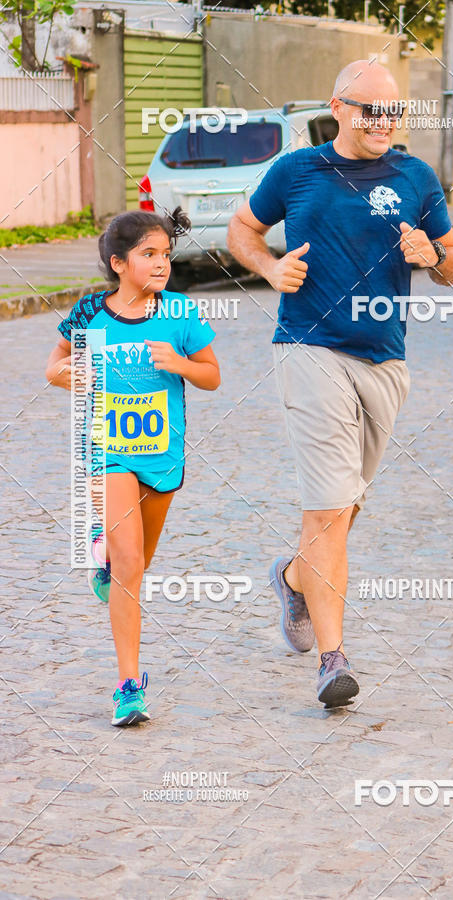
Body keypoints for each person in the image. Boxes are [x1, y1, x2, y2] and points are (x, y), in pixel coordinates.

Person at [227, 59, 453, 708]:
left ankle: (294, 578)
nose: (385, 122)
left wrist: (434, 258)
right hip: (309, 349)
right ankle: (333, 662)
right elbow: (242, 230)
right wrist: (269, 269)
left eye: (395, 111)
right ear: (339, 107)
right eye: (371, 110)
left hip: (385, 361)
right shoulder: (296, 171)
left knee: (345, 510)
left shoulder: (415, 177)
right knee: (329, 506)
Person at [45, 207, 220, 726]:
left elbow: (212, 377)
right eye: (149, 254)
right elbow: (53, 365)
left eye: (166, 254)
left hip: (163, 458)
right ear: (119, 263)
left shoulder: (181, 316)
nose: (162, 263)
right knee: (129, 567)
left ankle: (107, 568)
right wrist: (78, 376)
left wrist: (181, 364)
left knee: (136, 564)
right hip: (108, 452)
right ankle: (128, 685)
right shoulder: (90, 314)